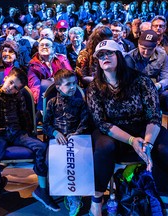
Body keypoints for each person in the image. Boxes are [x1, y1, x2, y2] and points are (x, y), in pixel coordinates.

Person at [86, 39, 168, 215]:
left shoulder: (141, 81)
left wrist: (147, 144)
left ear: (119, 57)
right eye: (101, 55)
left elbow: (154, 115)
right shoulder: (94, 87)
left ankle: (164, 197)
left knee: (164, 149)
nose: (105, 57)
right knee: (103, 148)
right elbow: (102, 122)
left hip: (142, 128)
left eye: (109, 53)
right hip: (112, 131)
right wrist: (131, 141)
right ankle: (97, 199)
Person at [0, 68, 60, 212]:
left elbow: (24, 115)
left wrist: (30, 134)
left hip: (17, 133)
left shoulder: (18, 97)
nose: (11, 88)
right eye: (11, 83)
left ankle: (42, 187)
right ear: (6, 78)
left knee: (42, 148)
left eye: (16, 88)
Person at [43, 69, 89, 215]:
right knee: (54, 161)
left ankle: (76, 193)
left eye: (74, 84)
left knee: (79, 161)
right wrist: (55, 133)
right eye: (68, 84)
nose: (72, 87)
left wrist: (77, 133)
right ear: (58, 87)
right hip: (58, 141)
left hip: (76, 139)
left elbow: (85, 121)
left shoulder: (80, 102)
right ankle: (68, 193)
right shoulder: (52, 103)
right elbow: (45, 125)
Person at [125, 30, 168, 112]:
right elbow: (128, 81)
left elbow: (166, 77)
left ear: (155, 46)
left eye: (150, 49)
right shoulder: (130, 57)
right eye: (143, 48)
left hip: (156, 89)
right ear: (138, 44)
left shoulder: (162, 55)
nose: (146, 52)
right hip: (137, 90)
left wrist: (159, 85)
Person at [28, 38, 72, 105]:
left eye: (47, 45)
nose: (44, 47)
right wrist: (42, 101)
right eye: (41, 45)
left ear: (53, 48)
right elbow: (35, 86)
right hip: (44, 97)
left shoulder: (62, 59)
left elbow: (70, 76)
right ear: (38, 49)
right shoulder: (33, 65)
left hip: (64, 93)